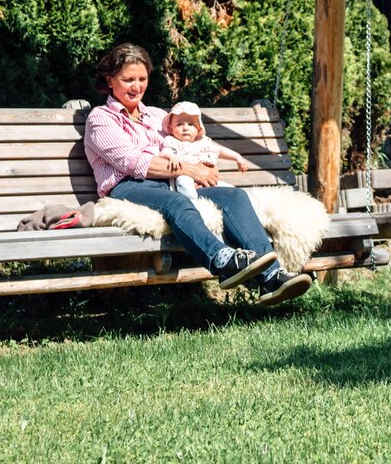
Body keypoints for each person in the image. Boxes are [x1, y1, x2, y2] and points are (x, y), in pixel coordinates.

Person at [83, 43, 312, 305]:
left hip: (170, 183)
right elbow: (131, 162)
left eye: (142, 78)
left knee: (233, 196)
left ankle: (272, 277)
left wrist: (203, 166)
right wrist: (188, 169)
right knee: (177, 202)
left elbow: (189, 146)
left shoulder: (159, 116)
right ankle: (222, 260)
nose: (136, 86)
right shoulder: (101, 118)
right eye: (128, 79)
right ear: (109, 80)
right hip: (127, 186)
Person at [163, 101, 247, 201]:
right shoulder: (172, 142)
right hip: (185, 179)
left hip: (207, 181)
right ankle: (191, 204)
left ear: (199, 129)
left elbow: (220, 151)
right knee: (184, 181)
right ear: (171, 129)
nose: (185, 128)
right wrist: (171, 157)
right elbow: (164, 152)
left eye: (191, 124)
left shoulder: (202, 143)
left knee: (232, 190)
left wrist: (237, 157)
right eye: (179, 124)